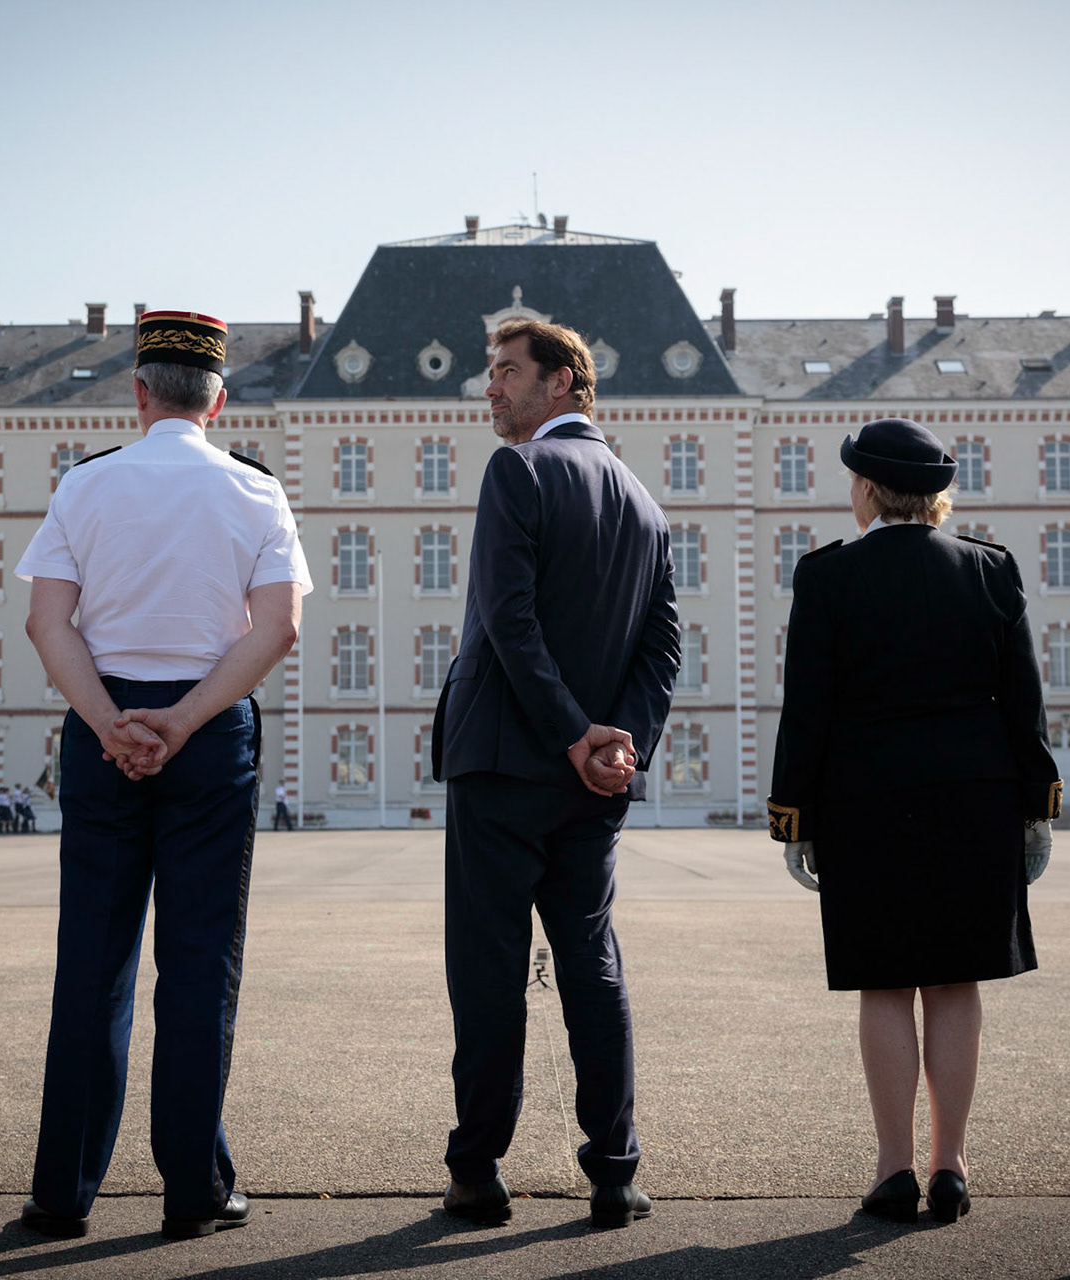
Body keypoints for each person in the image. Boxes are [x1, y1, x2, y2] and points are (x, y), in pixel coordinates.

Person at [14, 309, 309, 1241]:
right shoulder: (257, 492)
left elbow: (46, 626)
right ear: (218, 400)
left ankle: (62, 1193)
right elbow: (277, 629)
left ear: (138, 394)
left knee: (92, 969)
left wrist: (110, 725)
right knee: (196, 966)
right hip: (209, 733)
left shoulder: (84, 486)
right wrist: (180, 722)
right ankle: (194, 1189)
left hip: (104, 733)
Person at [766, 417, 1060, 1226]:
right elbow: (1024, 703)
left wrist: (796, 816)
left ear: (865, 489)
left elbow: (808, 709)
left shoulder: (827, 577)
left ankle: (895, 1168)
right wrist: (1037, 805)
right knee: (956, 981)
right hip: (975, 799)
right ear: (937, 497)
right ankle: (951, 1164)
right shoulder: (989, 569)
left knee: (886, 983)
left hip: (866, 802)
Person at [431, 320, 680, 1230]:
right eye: (488, 373)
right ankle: (615, 1172)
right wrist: (623, 747)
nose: (489, 390)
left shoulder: (521, 471)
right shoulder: (647, 506)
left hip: (504, 766)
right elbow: (661, 649)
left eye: (505, 373)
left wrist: (575, 734)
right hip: (592, 788)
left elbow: (507, 618)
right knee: (593, 968)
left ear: (565, 382)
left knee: (489, 974)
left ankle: (477, 1171)